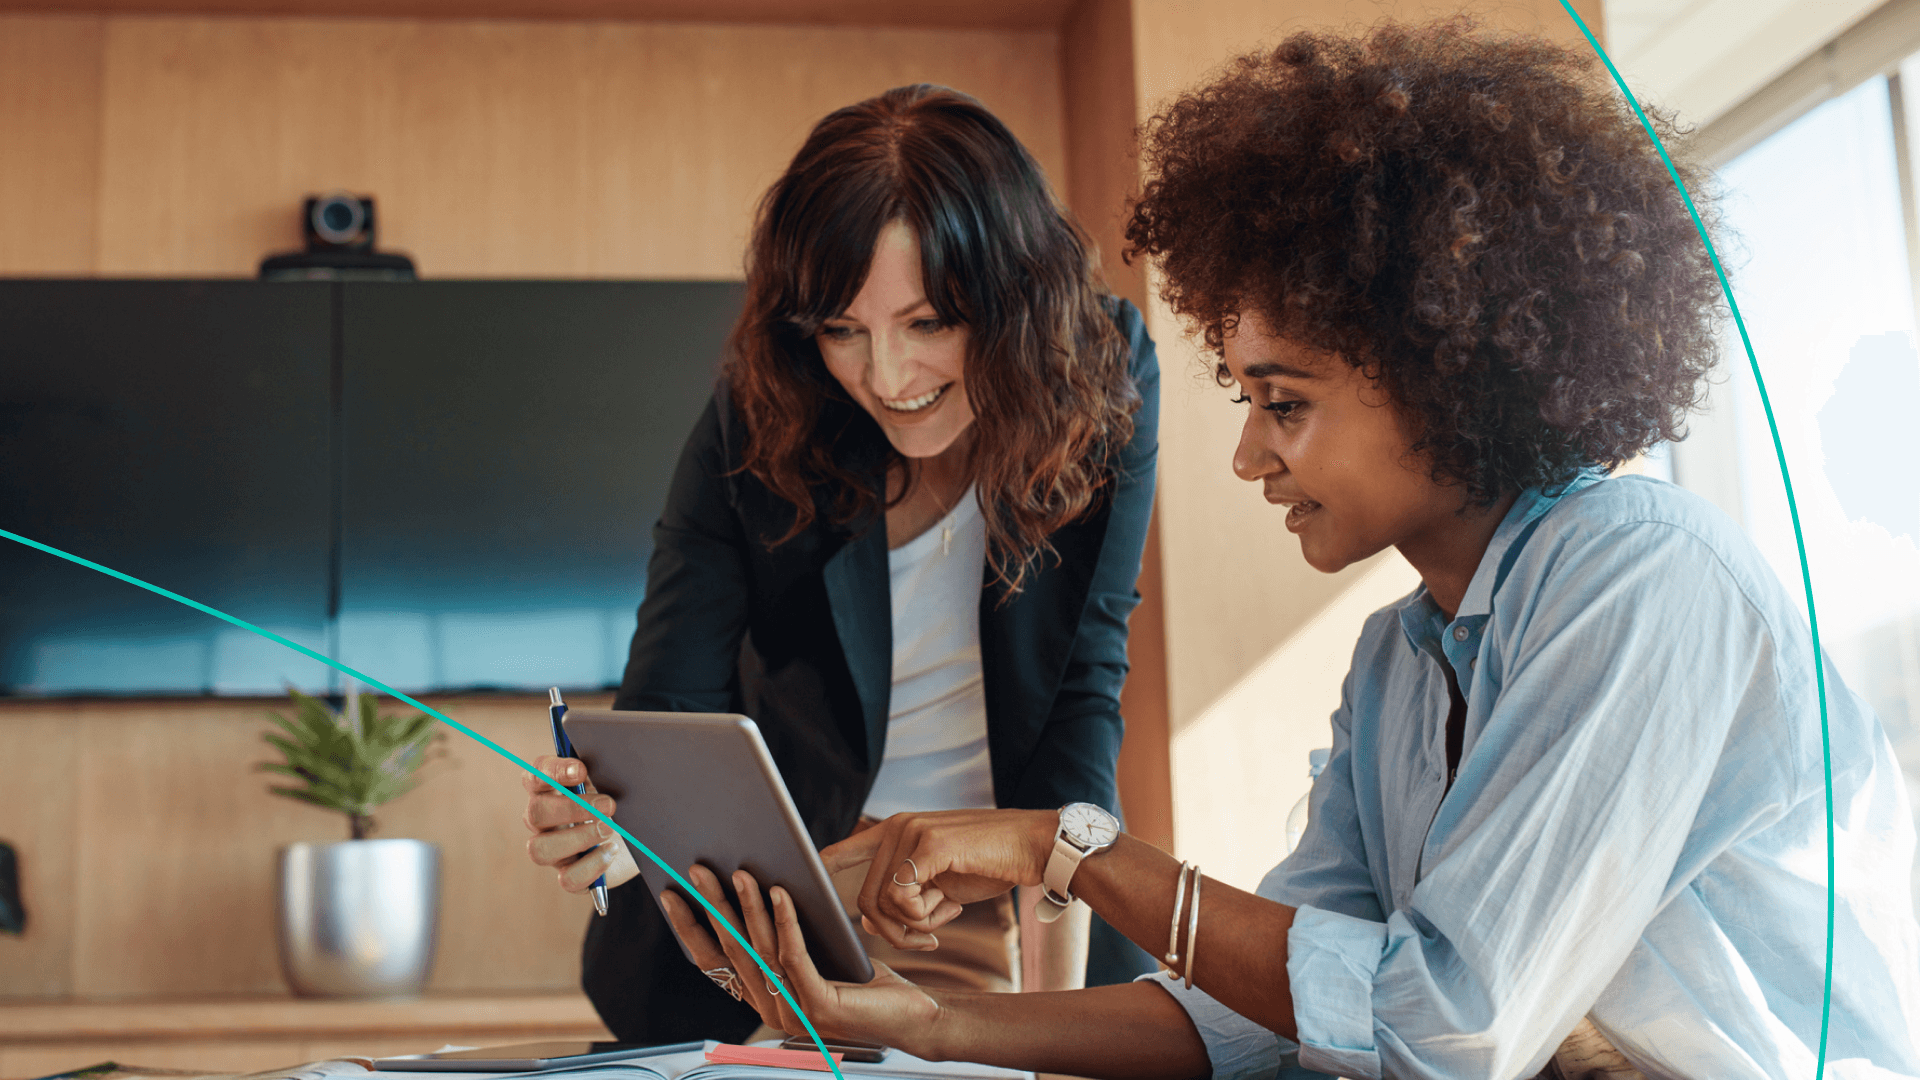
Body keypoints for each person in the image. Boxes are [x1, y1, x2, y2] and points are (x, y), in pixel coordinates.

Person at [656, 21, 1920, 1079]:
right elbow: (1256, 1016)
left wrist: (1067, 849)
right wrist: (934, 1030)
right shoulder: (1400, 666)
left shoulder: (1641, 580)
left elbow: (1444, 1023)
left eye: (1286, 403)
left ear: (1444, 375)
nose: (1249, 457)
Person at [519, 84, 1160, 1044]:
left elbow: (1082, 691)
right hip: (782, 916)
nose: (887, 380)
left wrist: (1055, 1012)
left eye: (930, 323)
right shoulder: (761, 409)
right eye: (843, 331)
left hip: (1015, 901)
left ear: (1017, 299)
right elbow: (670, 708)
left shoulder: (1101, 376)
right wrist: (613, 826)